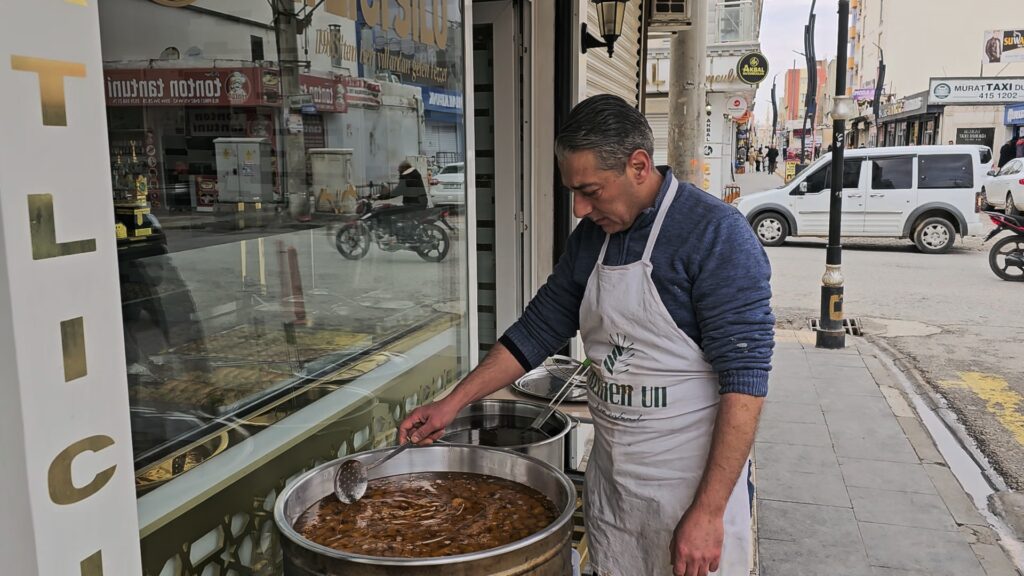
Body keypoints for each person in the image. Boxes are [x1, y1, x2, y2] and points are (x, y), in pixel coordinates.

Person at [398, 95, 774, 576]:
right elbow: (536, 330)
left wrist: (708, 512)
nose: (578, 208)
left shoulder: (715, 235)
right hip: (615, 483)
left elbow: (745, 382)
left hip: (691, 490)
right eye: (572, 191)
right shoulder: (593, 238)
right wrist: (453, 404)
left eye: (591, 190)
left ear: (638, 166)